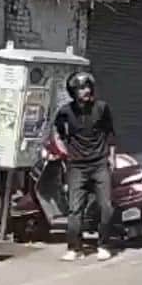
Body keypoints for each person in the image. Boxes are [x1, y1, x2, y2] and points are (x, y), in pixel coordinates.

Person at [53, 71, 116, 261]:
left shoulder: (102, 108)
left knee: (106, 206)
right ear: (73, 92)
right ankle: (75, 248)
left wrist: (112, 157)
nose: (86, 91)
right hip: (77, 166)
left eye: (88, 87)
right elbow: (57, 133)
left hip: (99, 164)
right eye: (81, 88)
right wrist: (65, 152)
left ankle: (103, 245)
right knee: (74, 209)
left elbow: (110, 134)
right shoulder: (65, 112)